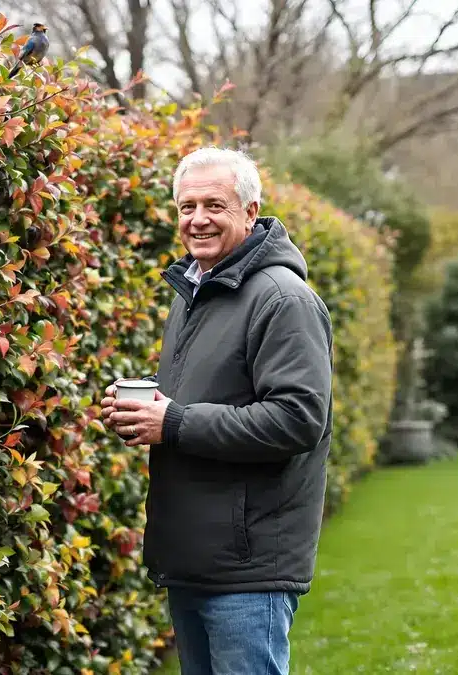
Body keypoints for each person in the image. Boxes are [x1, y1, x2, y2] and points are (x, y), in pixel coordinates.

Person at [100, 147, 333, 675]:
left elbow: (297, 419)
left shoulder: (282, 299)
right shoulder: (193, 292)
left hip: (248, 566)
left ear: (250, 213)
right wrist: (143, 416)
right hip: (195, 557)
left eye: (214, 205)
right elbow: (198, 404)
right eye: (186, 206)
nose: (197, 219)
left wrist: (174, 422)